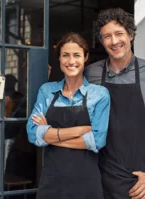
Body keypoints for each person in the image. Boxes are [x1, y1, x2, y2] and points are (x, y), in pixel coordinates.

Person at [84, 8, 145, 199]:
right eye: (107, 36)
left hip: (137, 183)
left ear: (131, 34)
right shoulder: (90, 73)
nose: (114, 41)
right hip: (95, 177)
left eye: (119, 34)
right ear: (102, 42)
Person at [26, 32, 110, 199]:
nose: (71, 61)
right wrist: (80, 130)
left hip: (86, 183)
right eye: (65, 55)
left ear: (86, 57)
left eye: (77, 55)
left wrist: (50, 136)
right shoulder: (47, 91)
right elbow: (32, 134)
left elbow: (97, 141)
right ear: (59, 59)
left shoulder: (99, 94)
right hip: (52, 181)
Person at [0, 74, 26, 175]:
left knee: (7, 164)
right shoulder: (1, 97)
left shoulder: (18, 98)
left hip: (12, 135)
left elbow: (22, 114)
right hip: (2, 134)